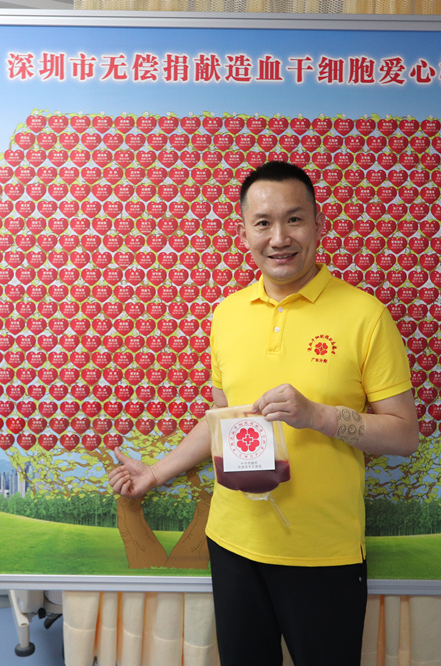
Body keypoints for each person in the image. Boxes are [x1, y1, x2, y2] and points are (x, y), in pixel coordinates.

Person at [109, 161, 419, 666]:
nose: (279, 238)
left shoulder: (366, 315)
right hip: (232, 543)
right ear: (244, 233)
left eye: (294, 219)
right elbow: (221, 418)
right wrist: (156, 472)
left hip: (323, 553)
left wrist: (317, 416)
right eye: (263, 223)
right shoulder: (227, 314)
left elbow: (405, 436)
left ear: (318, 224)